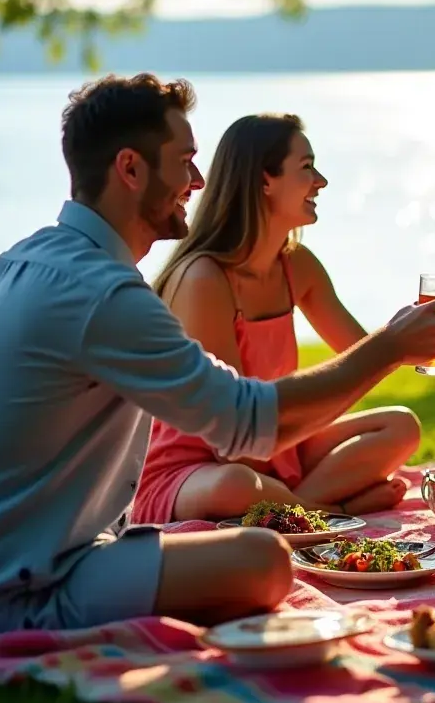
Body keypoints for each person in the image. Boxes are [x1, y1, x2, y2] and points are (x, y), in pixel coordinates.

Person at [0, 74, 435, 638]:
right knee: (264, 563)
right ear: (130, 170)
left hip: (18, 558)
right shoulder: (103, 293)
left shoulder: (20, 262)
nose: (199, 181)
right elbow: (247, 423)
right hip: (17, 591)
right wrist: (391, 346)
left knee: (253, 552)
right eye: (184, 161)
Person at [133, 113, 419, 524]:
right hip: (198, 466)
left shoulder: (295, 266)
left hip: (275, 447)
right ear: (263, 181)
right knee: (236, 484)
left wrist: (411, 333)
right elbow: (230, 442)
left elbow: (362, 357)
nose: (320, 181)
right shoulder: (204, 279)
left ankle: (296, 508)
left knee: (401, 427)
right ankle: (325, 511)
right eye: (306, 168)